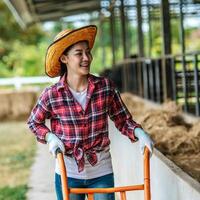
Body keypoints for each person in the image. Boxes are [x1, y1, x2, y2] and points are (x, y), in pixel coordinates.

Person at [27, 25, 154, 200]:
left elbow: (123, 120)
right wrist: (50, 137)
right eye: (79, 53)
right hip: (68, 172)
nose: (86, 58)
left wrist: (139, 132)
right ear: (64, 58)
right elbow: (34, 122)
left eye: (88, 52)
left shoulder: (105, 87)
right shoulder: (52, 94)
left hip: (101, 172)